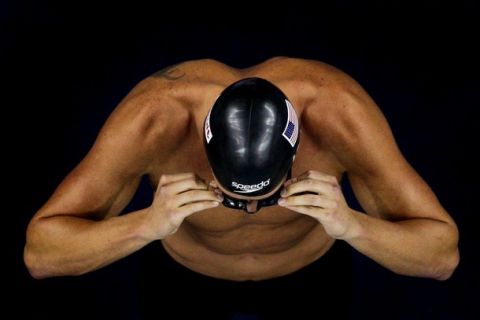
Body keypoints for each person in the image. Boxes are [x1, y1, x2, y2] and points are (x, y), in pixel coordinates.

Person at [24, 57, 459, 318]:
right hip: (183, 281)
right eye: (233, 196)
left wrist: (351, 226)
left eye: (267, 197)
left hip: (309, 281)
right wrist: (147, 225)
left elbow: (442, 256)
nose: (251, 211)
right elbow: (41, 254)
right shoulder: (155, 118)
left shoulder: (338, 115)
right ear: (203, 146)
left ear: (297, 148)